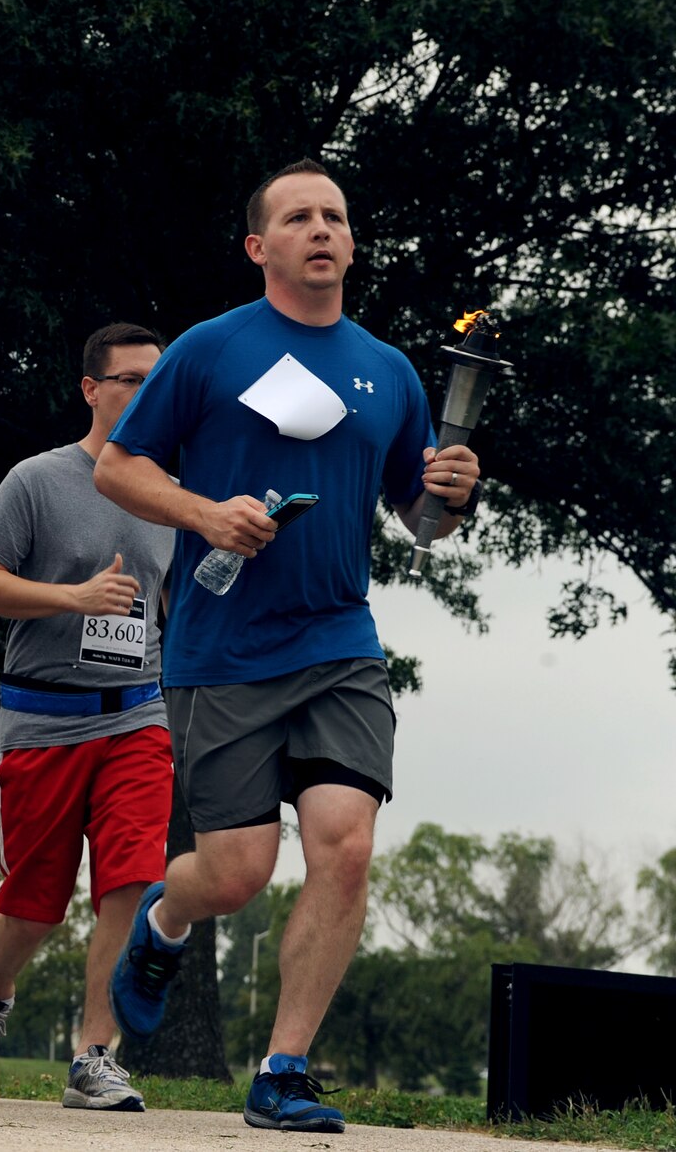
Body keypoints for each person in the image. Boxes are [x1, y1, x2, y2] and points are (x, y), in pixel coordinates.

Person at [96, 160, 481, 1133]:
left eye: (334, 216)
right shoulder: (209, 351)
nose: (319, 228)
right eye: (297, 215)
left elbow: (417, 520)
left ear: (350, 243)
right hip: (221, 646)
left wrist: (449, 493)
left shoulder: (387, 370)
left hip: (338, 639)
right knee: (233, 871)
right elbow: (115, 465)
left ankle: (282, 1066)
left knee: (344, 846)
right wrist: (200, 512)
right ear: (257, 246)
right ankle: (164, 921)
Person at [0, 322, 175, 1114]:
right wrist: (72, 598)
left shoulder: (171, 492)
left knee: (132, 879)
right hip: (42, 719)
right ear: (91, 389)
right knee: (36, 897)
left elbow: (177, 603)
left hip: (139, 716)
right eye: (130, 379)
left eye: (156, 379)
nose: (145, 392)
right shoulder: (37, 480)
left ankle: (94, 1054)